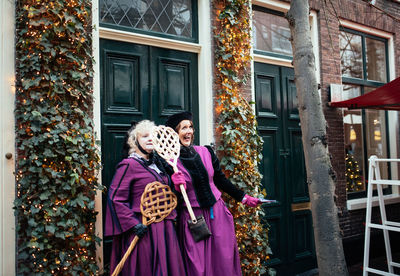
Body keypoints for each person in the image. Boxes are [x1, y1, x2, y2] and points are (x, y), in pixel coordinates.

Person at [165, 111, 261, 276]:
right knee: (196, 265)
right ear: (174, 133)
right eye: (183, 128)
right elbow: (170, 198)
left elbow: (220, 180)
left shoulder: (206, 152)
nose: (189, 131)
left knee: (222, 260)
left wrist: (243, 197)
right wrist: (174, 185)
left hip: (217, 214)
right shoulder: (167, 161)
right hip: (192, 218)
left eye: (190, 127)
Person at [104, 120, 186, 276]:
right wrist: (133, 224)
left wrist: (176, 185)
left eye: (152, 136)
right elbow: (115, 198)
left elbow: (167, 196)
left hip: (165, 226)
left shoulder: (160, 165)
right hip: (143, 227)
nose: (150, 139)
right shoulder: (128, 165)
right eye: (144, 136)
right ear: (135, 141)